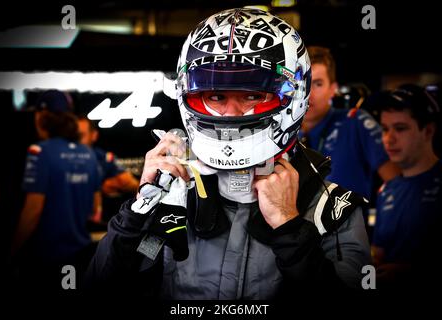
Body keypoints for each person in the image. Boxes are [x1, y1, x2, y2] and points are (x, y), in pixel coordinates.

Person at [85, 8, 371, 300]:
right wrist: (137, 210)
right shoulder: (172, 192)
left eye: (252, 96)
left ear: (295, 95)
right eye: (216, 96)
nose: (232, 113)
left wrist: (290, 227)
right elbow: (100, 289)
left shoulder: (331, 208)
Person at [11, 90, 101, 292]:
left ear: (42, 116)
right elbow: (94, 209)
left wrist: (11, 252)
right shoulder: (88, 154)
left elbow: (32, 212)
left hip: (46, 261)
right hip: (82, 256)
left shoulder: (39, 152)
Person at [298, 46, 399, 202]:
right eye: (304, 83)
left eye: (317, 84)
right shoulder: (286, 133)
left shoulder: (355, 122)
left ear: (333, 89)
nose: (308, 93)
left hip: (350, 225)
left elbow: (398, 183)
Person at [372, 84, 442, 291]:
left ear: (428, 130)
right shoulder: (387, 191)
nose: (389, 138)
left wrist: (410, 272)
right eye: (385, 129)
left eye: (400, 128)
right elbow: (378, 254)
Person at [77, 115, 139, 222]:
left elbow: (130, 184)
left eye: (81, 135)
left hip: (98, 221)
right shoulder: (57, 157)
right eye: (72, 136)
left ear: (94, 135)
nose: (76, 141)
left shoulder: (103, 158)